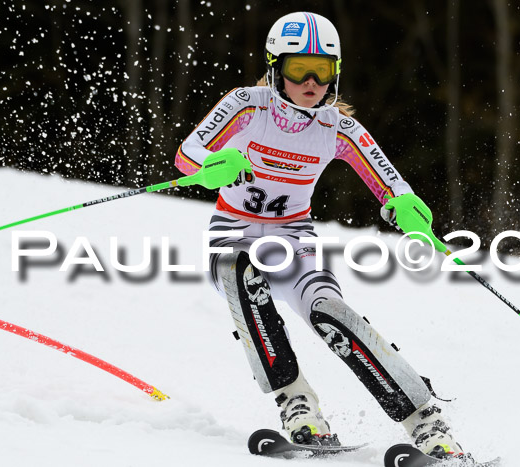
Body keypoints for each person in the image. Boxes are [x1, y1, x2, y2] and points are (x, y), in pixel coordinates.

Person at [175, 11, 469, 463]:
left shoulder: (337, 127)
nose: (311, 81)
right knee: (239, 275)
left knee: (329, 313)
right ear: (276, 68)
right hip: (232, 231)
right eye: (298, 69)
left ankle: (429, 427)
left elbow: (388, 181)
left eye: (323, 70)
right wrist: (214, 166)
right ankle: (298, 407)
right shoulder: (247, 105)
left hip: (293, 238)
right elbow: (188, 153)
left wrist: (407, 208)